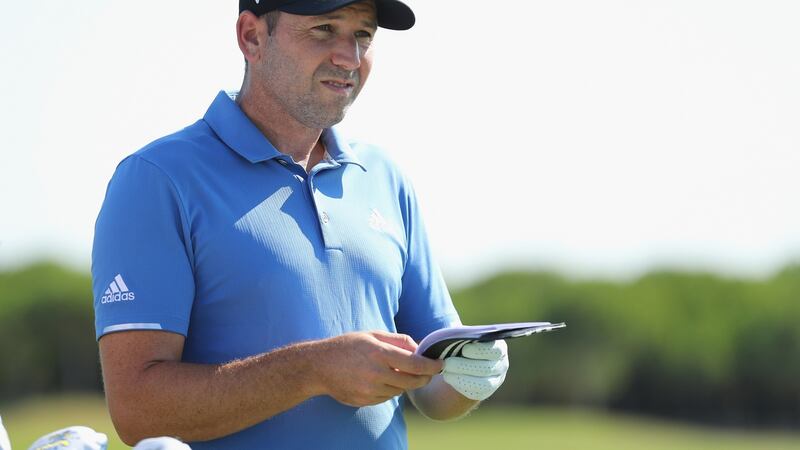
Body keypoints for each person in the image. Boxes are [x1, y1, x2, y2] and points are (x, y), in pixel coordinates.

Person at [91, 1, 510, 448]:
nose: (349, 57)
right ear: (252, 37)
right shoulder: (158, 178)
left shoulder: (384, 176)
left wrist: (469, 377)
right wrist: (312, 370)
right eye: (324, 29)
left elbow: (432, 390)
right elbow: (138, 411)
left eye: (363, 35)